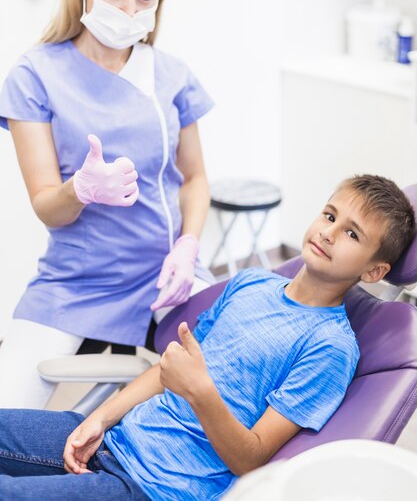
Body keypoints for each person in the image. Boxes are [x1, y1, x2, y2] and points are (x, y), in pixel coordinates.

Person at [0, 174, 414, 501]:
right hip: (119, 437)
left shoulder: (330, 347)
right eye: (329, 215)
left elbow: (251, 461)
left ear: (374, 271)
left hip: (158, 486)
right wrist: (100, 418)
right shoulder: (251, 283)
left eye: (352, 234)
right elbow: (170, 368)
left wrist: (201, 391)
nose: (328, 232)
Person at [0, 0, 215, 408]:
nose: (128, 6)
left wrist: (187, 246)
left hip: (166, 271)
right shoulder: (35, 76)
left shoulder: (171, 75)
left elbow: (197, 178)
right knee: (7, 419)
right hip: (76, 279)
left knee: (232, 386)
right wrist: (79, 189)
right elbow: (46, 207)